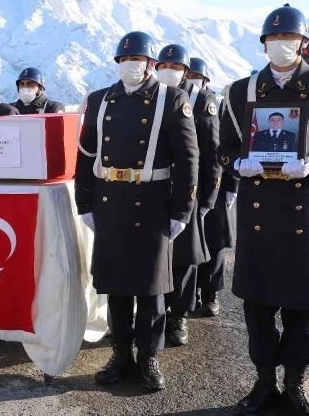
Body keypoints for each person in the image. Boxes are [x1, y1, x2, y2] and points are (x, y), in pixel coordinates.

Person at [220, 6, 309, 415]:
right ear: (263, 44)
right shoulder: (238, 92)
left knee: (302, 306)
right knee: (258, 306)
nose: (281, 46)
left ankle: (296, 386)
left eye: (289, 39)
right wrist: (236, 164)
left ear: (303, 43)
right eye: (273, 40)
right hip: (258, 212)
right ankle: (264, 384)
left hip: (304, 214)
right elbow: (223, 149)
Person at [75, 31, 199, 391]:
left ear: (150, 64)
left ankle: (149, 358)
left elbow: (189, 159)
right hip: (110, 201)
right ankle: (121, 355)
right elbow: (86, 156)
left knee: (149, 289)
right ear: (118, 63)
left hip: (153, 202)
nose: (131, 65)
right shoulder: (99, 100)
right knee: (115, 286)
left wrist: (183, 210)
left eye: (139, 60)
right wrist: (85, 202)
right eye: (125, 60)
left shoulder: (171, 99)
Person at [154, 46, 216, 347]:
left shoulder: (200, 99)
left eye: (174, 65)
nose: (168, 70)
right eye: (162, 64)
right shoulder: (149, 95)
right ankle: (157, 311)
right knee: (155, 255)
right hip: (152, 189)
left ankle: (178, 315)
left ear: (184, 69)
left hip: (187, 190)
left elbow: (211, 154)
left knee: (184, 259)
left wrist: (208, 199)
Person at [189, 59, 237, 316]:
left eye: (198, 75)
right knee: (193, 243)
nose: (194, 78)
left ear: (206, 80)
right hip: (195, 183)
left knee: (215, 242)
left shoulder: (219, 104)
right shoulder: (181, 101)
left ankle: (211, 293)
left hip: (219, 182)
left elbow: (229, 145)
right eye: (190, 74)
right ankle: (193, 292)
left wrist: (232, 185)